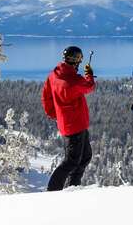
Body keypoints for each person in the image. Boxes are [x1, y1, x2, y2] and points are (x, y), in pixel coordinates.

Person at [41, 45, 96, 191]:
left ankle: (73, 187)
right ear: (77, 61)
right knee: (71, 161)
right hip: (76, 125)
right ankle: (53, 190)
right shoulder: (74, 80)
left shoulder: (54, 75)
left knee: (85, 157)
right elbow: (90, 86)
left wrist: (54, 113)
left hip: (71, 124)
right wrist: (89, 74)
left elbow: (46, 97)